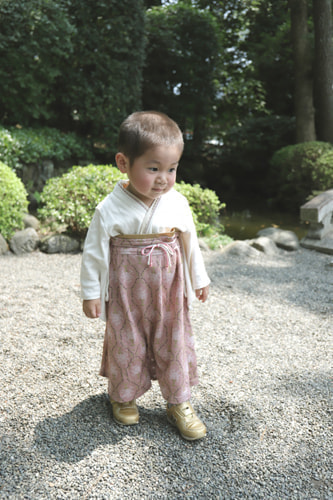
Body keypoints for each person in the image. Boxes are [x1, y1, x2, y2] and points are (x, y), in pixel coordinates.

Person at [80, 111, 210, 441]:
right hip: (125, 289)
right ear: (123, 163)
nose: (163, 178)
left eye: (171, 169)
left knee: (173, 339)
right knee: (126, 339)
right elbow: (94, 253)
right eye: (153, 168)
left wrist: (199, 279)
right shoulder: (109, 208)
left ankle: (179, 401)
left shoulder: (176, 203)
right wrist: (91, 293)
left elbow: (189, 242)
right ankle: (123, 396)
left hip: (169, 288)